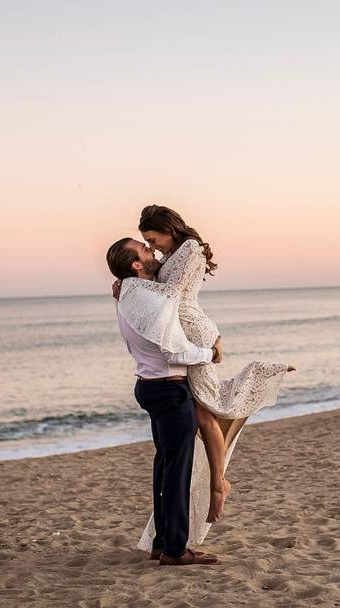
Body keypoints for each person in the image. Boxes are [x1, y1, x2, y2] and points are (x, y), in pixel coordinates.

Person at [114, 205, 294, 552]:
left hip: (194, 337)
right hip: (185, 341)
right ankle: (207, 496)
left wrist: (130, 285)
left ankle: (217, 483)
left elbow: (170, 296)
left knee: (208, 411)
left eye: (153, 240)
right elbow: (159, 292)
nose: (154, 248)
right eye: (147, 245)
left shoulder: (190, 250)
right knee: (202, 417)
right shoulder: (168, 259)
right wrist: (129, 284)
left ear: (168, 229)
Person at [106, 237, 220, 566]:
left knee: (165, 469)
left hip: (152, 387)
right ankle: (174, 550)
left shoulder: (131, 292)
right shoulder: (147, 299)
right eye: (145, 250)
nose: (153, 251)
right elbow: (174, 349)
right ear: (136, 266)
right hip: (168, 390)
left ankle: (161, 543)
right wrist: (209, 354)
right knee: (176, 473)